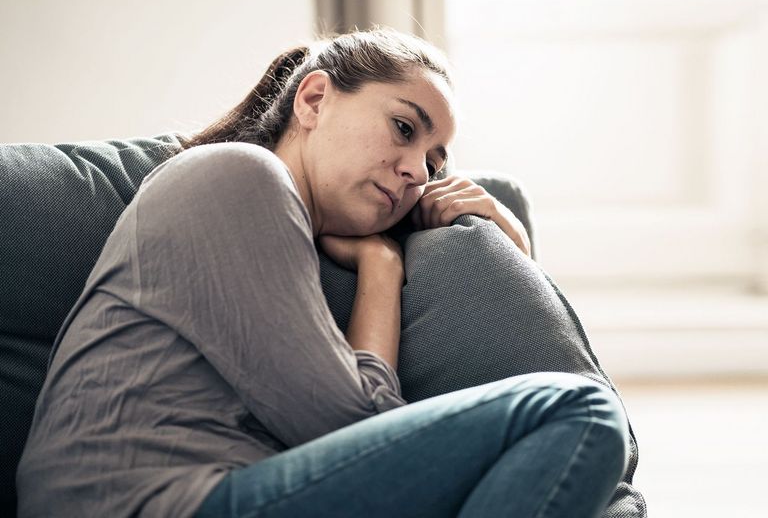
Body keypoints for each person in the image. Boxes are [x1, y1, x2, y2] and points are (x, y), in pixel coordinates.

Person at [16, 28, 630, 518]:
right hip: (152, 500)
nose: (418, 170)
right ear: (313, 99)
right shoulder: (234, 177)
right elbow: (353, 423)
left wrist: (512, 247)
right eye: (403, 127)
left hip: (237, 488)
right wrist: (382, 270)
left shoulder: (286, 235)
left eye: (434, 159)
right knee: (580, 410)